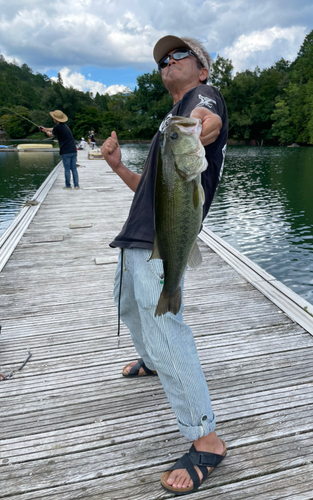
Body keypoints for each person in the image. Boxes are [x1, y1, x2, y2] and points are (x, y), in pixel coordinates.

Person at [101, 35, 228, 495]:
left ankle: (206, 438)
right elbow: (150, 189)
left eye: (179, 55)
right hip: (138, 234)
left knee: (164, 325)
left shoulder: (200, 101)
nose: (167, 62)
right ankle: (154, 361)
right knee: (128, 307)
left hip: (162, 239)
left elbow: (206, 121)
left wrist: (198, 126)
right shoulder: (167, 126)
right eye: (162, 60)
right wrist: (117, 167)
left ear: (202, 69)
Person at [41, 110, 79, 189]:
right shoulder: (65, 126)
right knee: (74, 169)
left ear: (56, 120)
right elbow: (53, 129)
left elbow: (51, 134)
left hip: (65, 151)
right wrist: (45, 129)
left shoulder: (57, 127)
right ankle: (76, 185)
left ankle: (68, 186)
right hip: (73, 150)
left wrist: (46, 132)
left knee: (67, 169)